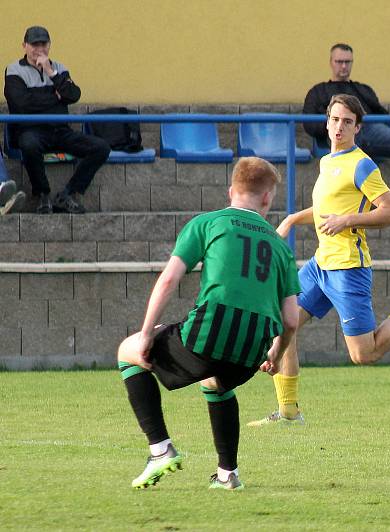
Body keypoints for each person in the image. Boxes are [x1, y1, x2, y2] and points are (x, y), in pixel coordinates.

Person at [248, 94, 390, 427]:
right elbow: (325, 209)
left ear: (357, 127)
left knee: (364, 354)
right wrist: (290, 219)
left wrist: (346, 221)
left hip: (348, 267)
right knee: (283, 326)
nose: (339, 127)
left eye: (348, 121)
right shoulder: (327, 162)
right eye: (335, 119)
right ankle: (288, 412)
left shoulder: (362, 164)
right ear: (327, 123)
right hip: (320, 266)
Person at [117, 157, 300, 490]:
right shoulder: (280, 247)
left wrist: (146, 334)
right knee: (216, 383)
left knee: (127, 351)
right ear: (267, 198)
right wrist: (275, 354)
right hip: (252, 351)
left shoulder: (209, 223)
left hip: (209, 335)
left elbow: (169, 280)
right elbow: (291, 319)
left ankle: (160, 450)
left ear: (231, 191)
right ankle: (228, 474)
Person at [302, 43, 390, 211]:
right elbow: (309, 124)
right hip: (340, 137)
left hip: (370, 131)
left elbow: (383, 115)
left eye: (348, 62)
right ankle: (368, 203)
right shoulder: (318, 91)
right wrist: (337, 125)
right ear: (331, 62)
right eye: (339, 61)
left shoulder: (363, 90)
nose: (344, 66)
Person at [4, 26, 110, 214]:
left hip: (60, 131)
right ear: (24, 46)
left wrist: (51, 72)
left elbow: (73, 94)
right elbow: (20, 104)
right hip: (31, 131)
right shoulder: (14, 70)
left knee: (101, 147)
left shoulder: (58, 68)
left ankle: (68, 194)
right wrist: (55, 97)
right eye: (34, 44)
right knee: (28, 144)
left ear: (49, 45)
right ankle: (43, 195)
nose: (39, 49)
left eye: (43, 44)